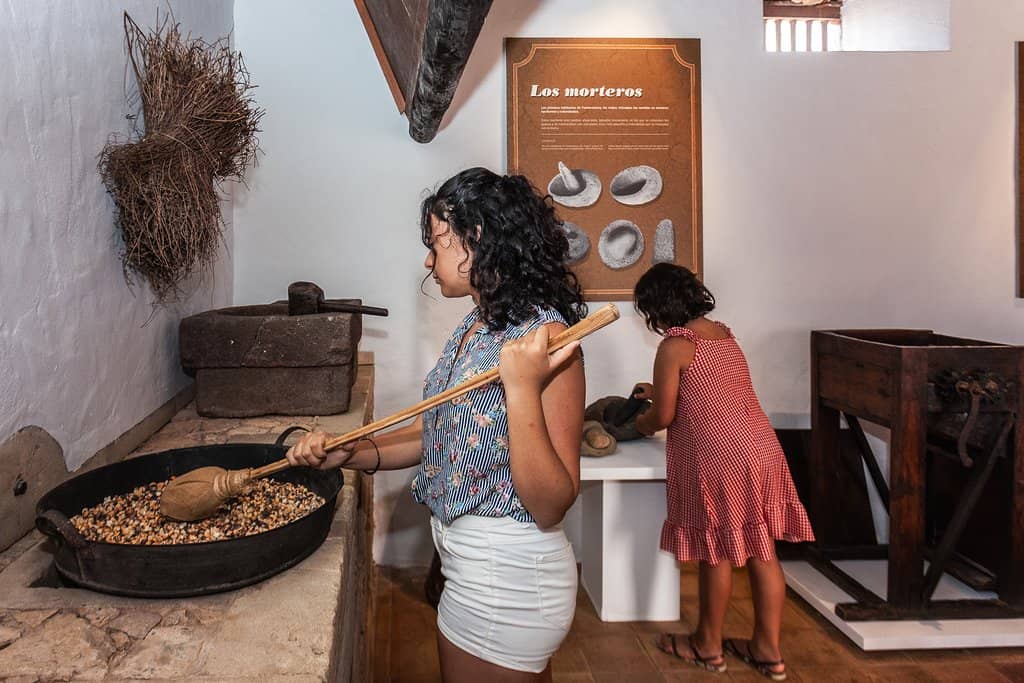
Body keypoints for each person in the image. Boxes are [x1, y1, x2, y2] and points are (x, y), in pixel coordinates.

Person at [286, 167, 586, 682]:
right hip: (470, 566)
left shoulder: (548, 339)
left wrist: (521, 390)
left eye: (437, 244)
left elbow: (551, 501)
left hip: (507, 575)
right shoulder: (478, 322)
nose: (429, 259)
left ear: (478, 241)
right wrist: (352, 452)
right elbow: (443, 435)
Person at [632, 263, 814, 682]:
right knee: (762, 551)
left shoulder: (675, 346)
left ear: (660, 307)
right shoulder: (724, 335)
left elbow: (663, 415)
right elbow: (710, 390)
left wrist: (635, 424)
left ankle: (707, 645)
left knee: (716, 551)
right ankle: (768, 650)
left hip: (722, 461)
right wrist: (655, 388)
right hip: (761, 451)